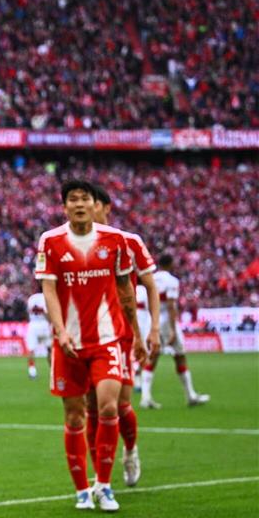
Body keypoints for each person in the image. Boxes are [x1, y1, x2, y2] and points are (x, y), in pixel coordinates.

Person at [35, 179, 147, 513]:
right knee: (74, 415)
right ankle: (82, 490)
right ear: (64, 206)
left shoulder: (114, 240)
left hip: (107, 340)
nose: (80, 204)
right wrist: (60, 332)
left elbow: (126, 289)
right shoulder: (51, 241)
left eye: (84, 198)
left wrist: (137, 335)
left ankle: (105, 485)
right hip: (68, 343)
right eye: (73, 199)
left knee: (109, 407)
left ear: (93, 204)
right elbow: (48, 290)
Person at [87, 185, 161, 488]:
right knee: (92, 407)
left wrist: (153, 328)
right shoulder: (70, 243)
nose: (85, 209)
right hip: (86, 334)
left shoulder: (128, 241)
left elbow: (150, 286)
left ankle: (130, 450)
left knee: (120, 404)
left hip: (122, 333)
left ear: (106, 207)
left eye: (91, 203)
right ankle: (99, 475)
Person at [148, 254, 211, 406]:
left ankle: (145, 396)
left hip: (153, 319)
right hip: (167, 322)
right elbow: (171, 306)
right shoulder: (172, 281)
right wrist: (173, 330)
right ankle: (191, 396)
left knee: (153, 356)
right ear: (170, 264)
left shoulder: (151, 279)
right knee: (180, 356)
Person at [25, 291, 50, 379]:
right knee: (49, 349)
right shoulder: (46, 296)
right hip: (45, 324)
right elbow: (48, 313)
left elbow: (28, 312)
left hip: (33, 324)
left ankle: (32, 371)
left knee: (31, 350)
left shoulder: (31, 298)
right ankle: (52, 370)